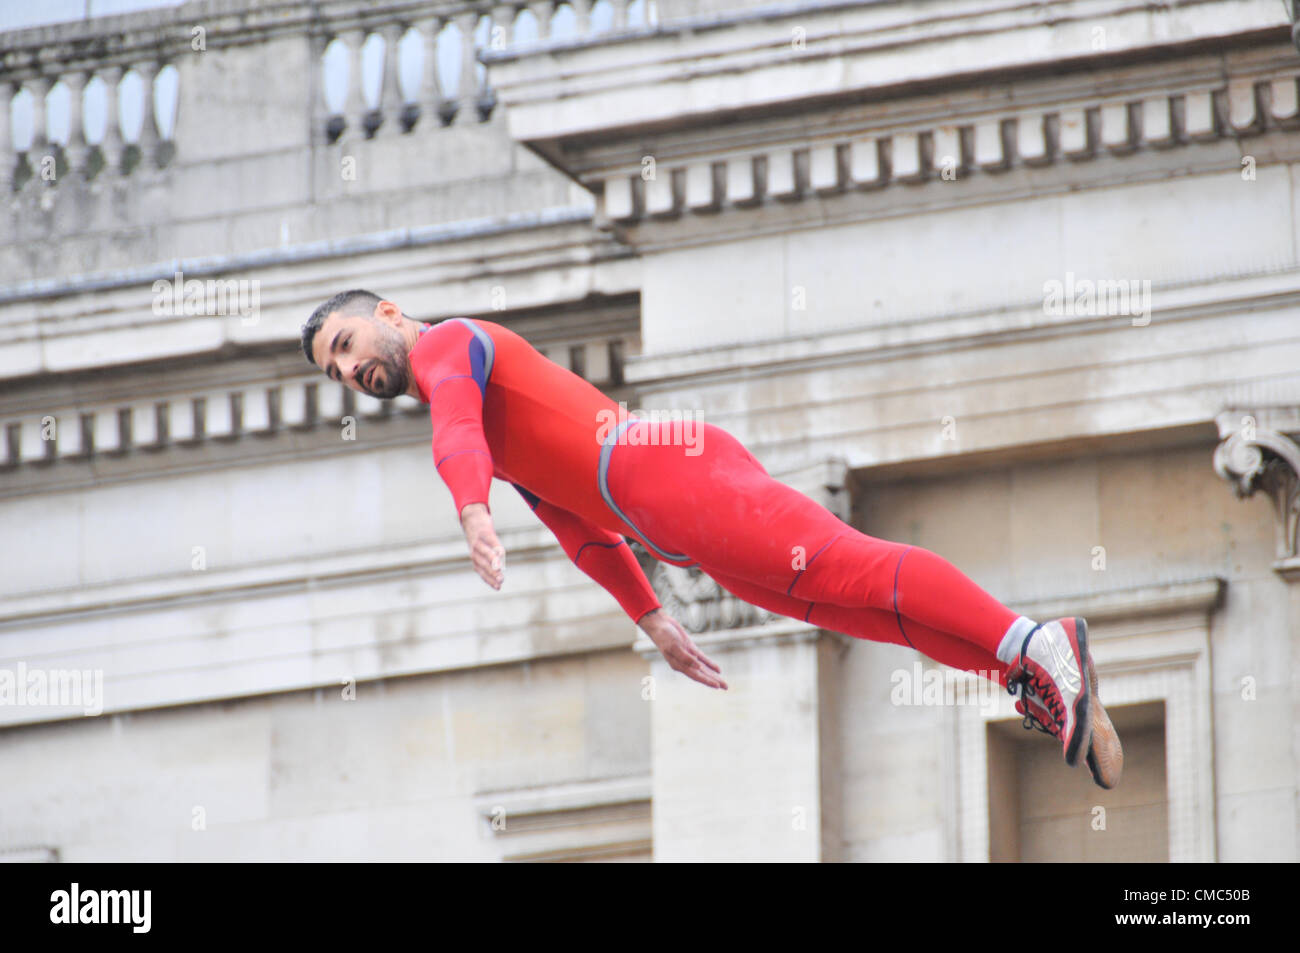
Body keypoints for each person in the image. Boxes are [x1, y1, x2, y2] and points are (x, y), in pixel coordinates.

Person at [301, 289, 1123, 789]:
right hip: (669, 520)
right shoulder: (471, 413)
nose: (349, 372)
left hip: (667, 472)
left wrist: (472, 509)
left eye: (345, 346)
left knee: (848, 566)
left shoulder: (448, 347)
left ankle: (1037, 638)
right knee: (853, 605)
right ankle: (1023, 666)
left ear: (387, 314)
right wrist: (652, 618)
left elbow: (456, 434)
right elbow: (571, 520)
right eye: (334, 373)